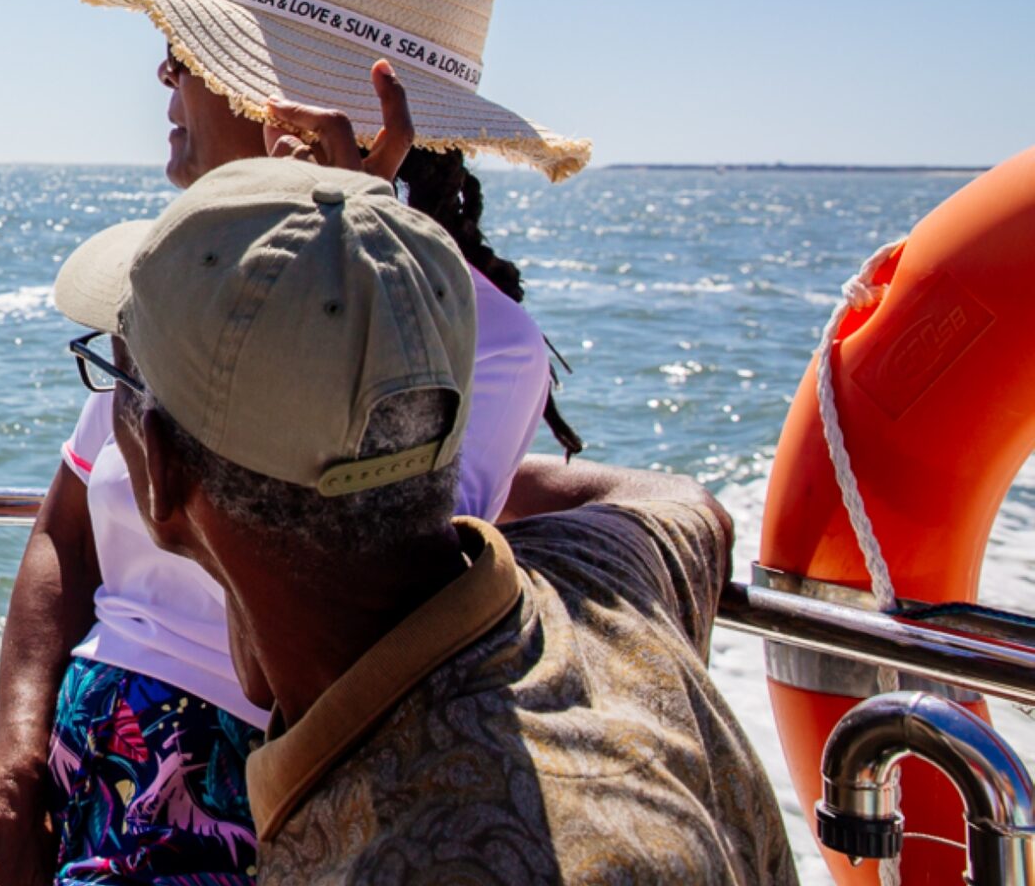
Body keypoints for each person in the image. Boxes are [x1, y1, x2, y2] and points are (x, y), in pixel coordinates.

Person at [0, 0, 586, 884]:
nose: (162, 73)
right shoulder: (181, 274)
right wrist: (12, 774)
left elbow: (350, 640)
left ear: (297, 109)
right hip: (61, 767)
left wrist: (334, 262)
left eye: (190, 54)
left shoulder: (485, 345)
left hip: (264, 800)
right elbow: (65, 531)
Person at [52, 156, 795, 882]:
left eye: (114, 372)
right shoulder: (604, 575)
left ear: (163, 468)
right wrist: (395, 472)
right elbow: (691, 507)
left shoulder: (398, 853)